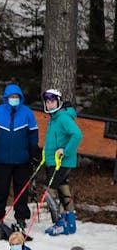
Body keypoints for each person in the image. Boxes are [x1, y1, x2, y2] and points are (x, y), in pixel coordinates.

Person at [0, 83, 40, 229]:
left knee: (21, 190)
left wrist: (34, 150)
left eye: (16, 97)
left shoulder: (27, 112)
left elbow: (33, 133)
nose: (14, 99)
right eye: (11, 97)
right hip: (2, 159)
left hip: (22, 159)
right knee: (0, 189)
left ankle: (21, 217)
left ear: (20, 98)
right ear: (6, 98)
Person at [40, 88, 82, 236]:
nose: (50, 104)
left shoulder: (63, 117)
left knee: (49, 191)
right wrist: (47, 150)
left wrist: (66, 151)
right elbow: (55, 138)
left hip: (62, 162)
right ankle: (70, 223)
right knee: (63, 189)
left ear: (58, 102)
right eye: (47, 101)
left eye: (52, 101)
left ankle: (58, 223)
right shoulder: (54, 117)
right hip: (53, 161)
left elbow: (77, 135)